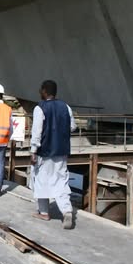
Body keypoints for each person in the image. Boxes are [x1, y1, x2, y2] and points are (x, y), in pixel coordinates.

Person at [30, 80, 77, 229]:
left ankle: (44, 212)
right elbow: (73, 127)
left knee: (40, 180)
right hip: (61, 151)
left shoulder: (40, 108)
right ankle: (67, 210)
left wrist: (33, 151)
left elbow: (36, 131)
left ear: (44, 91)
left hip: (44, 152)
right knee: (61, 181)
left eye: (40, 89)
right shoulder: (66, 107)